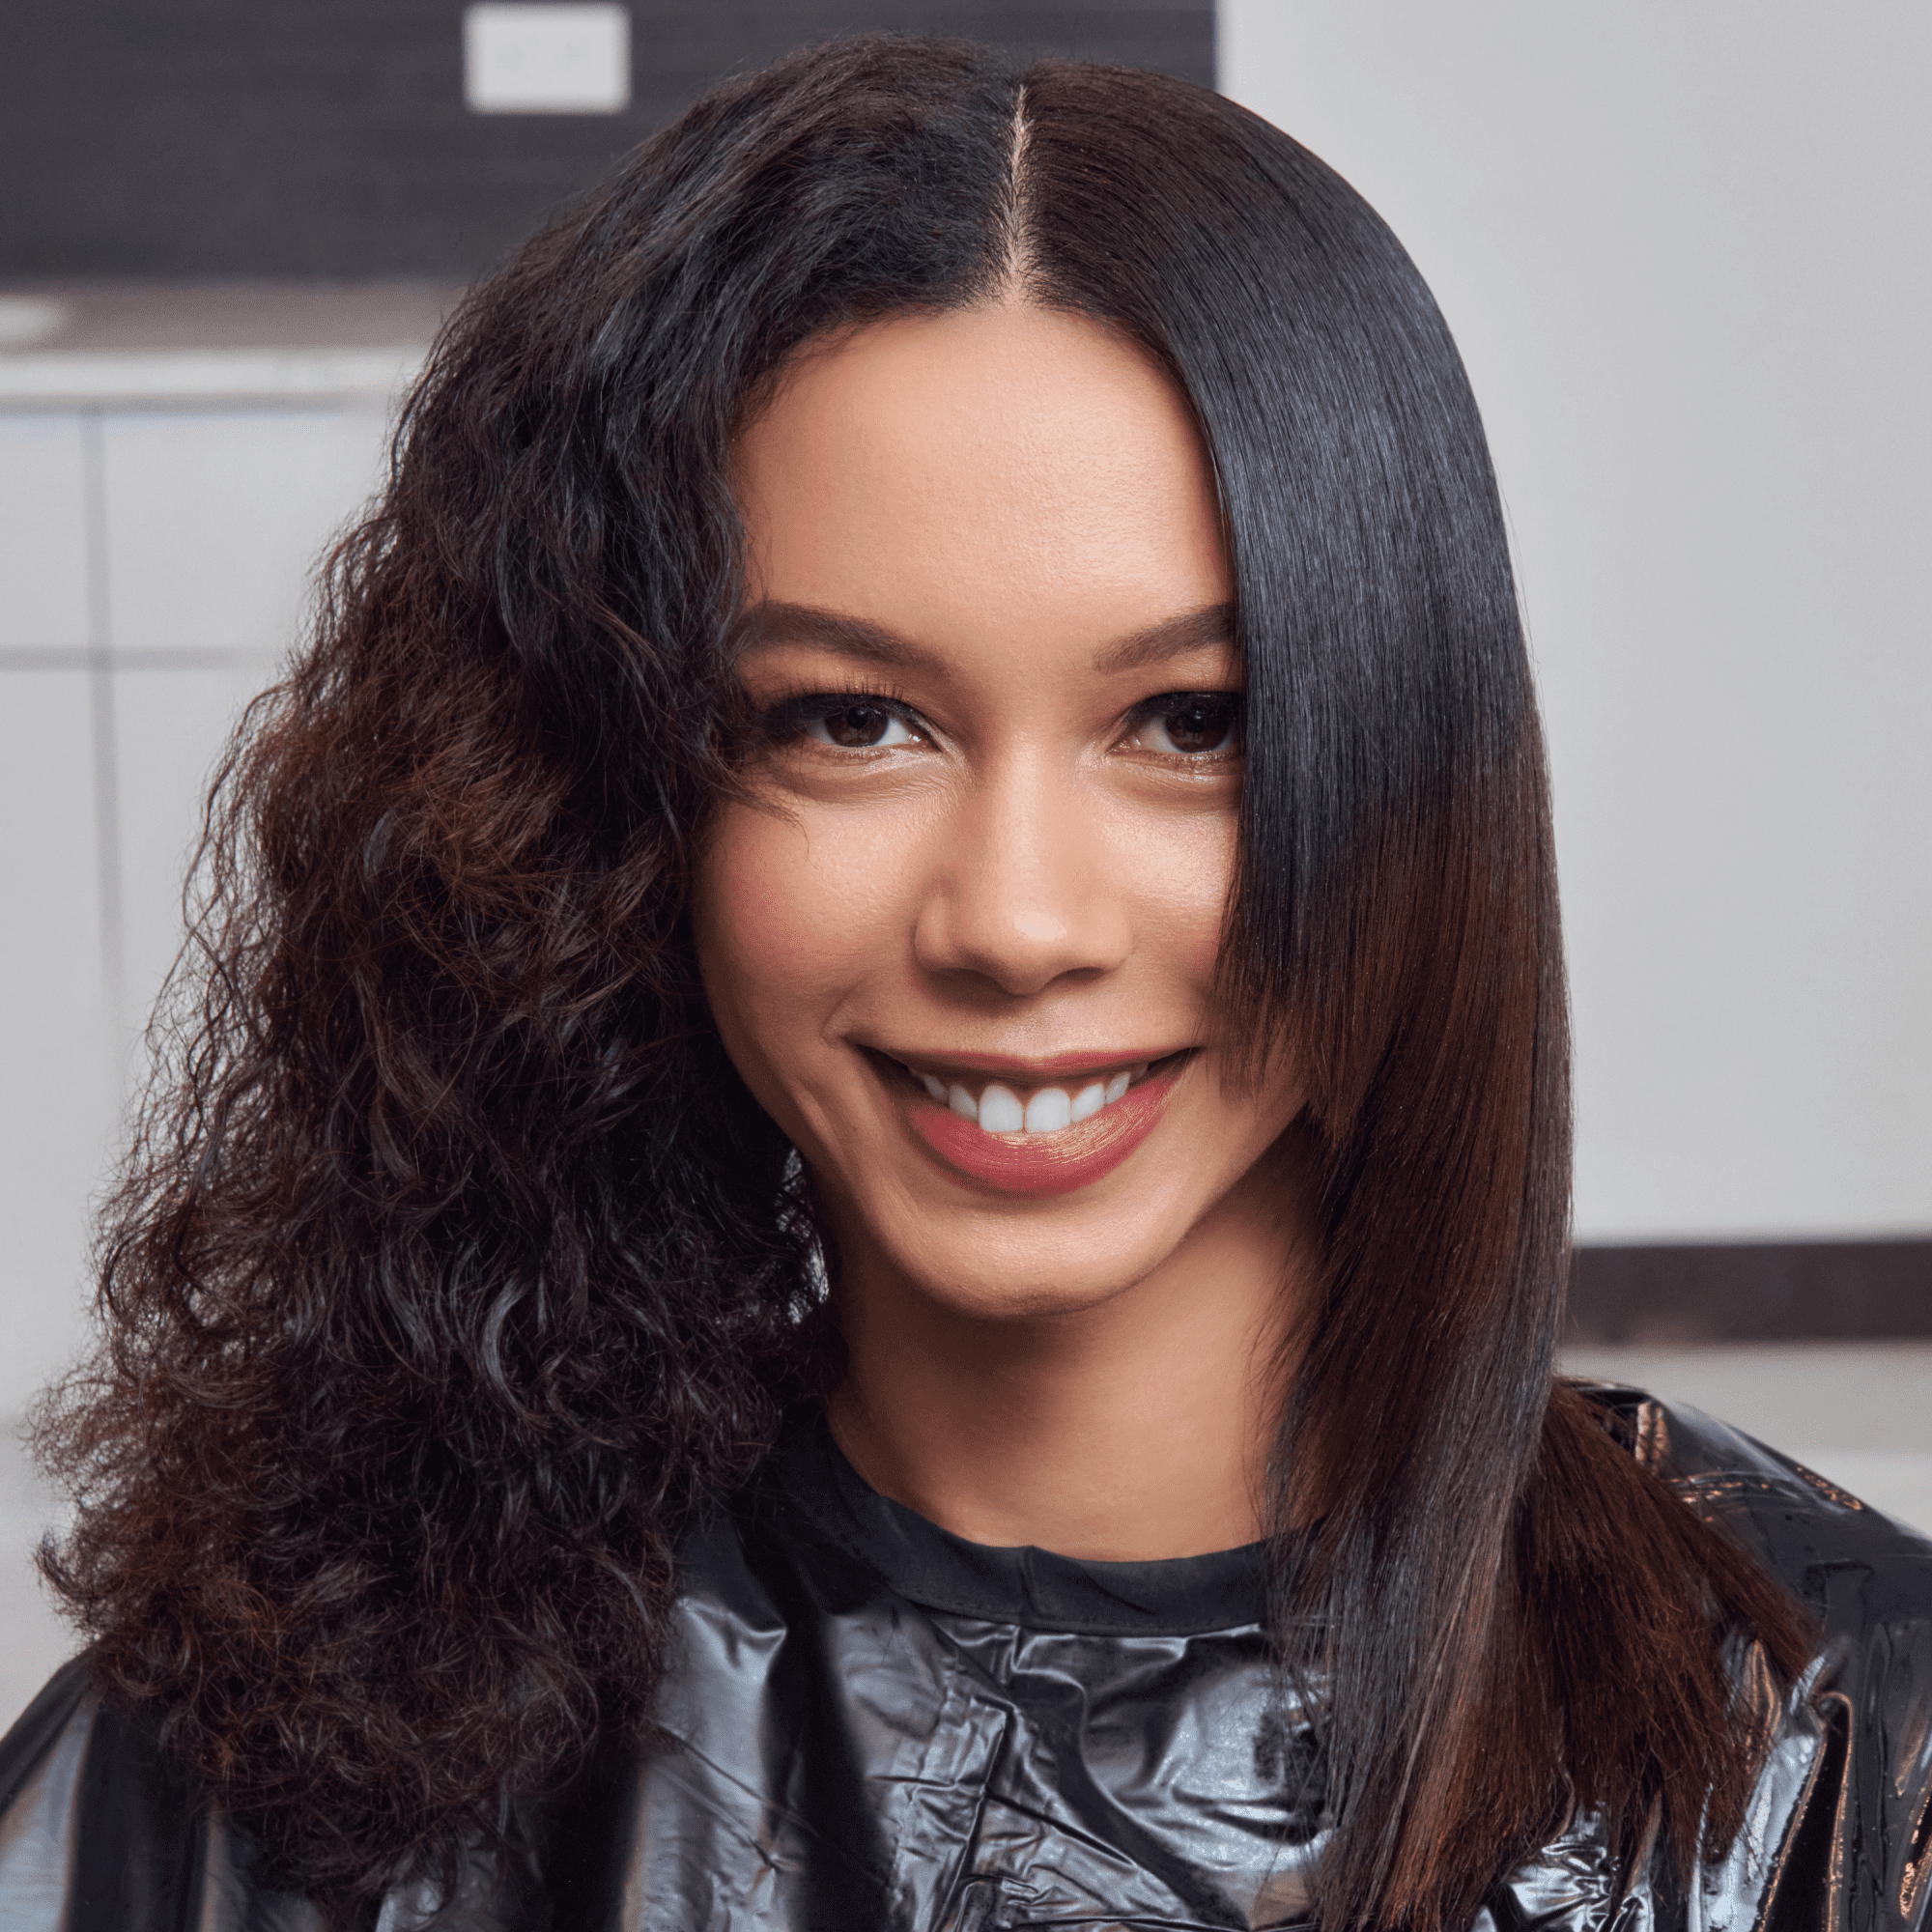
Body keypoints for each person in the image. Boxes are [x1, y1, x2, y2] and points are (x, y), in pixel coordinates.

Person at [3, 33, 1927, 1932]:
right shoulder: (269, 1771)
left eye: (1191, 720)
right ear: (608, 806)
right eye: (849, 719)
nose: (1015, 921)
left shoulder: (1845, 1760)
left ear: (1418, 775)